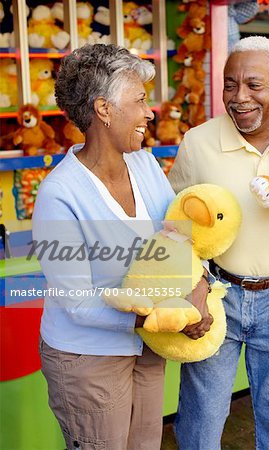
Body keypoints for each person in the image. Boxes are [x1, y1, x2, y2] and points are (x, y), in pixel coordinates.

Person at [32, 43, 179, 450]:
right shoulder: (60, 194)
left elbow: (179, 239)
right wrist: (165, 317)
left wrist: (197, 289)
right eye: (140, 101)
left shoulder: (146, 165)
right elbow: (77, 301)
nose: (150, 112)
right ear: (104, 109)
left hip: (147, 348)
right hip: (88, 360)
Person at [168, 36, 269, 450]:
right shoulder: (198, 142)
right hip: (215, 297)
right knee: (200, 425)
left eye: (254, 85)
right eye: (230, 84)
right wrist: (191, 284)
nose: (239, 97)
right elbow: (173, 226)